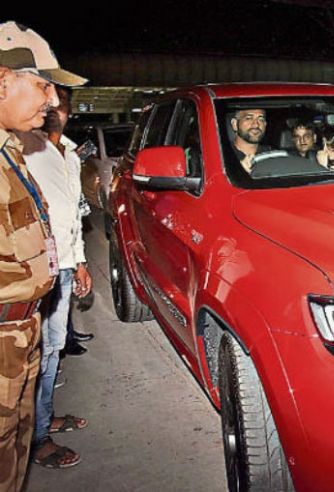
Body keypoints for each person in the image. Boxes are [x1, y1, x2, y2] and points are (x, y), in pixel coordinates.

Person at [0, 21, 85, 488]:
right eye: (42, 84)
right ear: (2, 80)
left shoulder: (11, 151)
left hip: (19, 335)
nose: (52, 100)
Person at [20, 84, 92, 470]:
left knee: (51, 352)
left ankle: (42, 423)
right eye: (48, 104)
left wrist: (80, 261)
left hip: (63, 266)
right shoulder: (23, 149)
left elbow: (71, 213)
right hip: (32, 271)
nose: (53, 110)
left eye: (60, 106)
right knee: (30, 357)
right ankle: (35, 438)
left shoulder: (69, 153)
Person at [230, 108, 269, 173]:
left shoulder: (271, 155)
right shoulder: (222, 157)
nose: (256, 125)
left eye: (261, 119)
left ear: (265, 124)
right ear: (235, 124)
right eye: (249, 118)